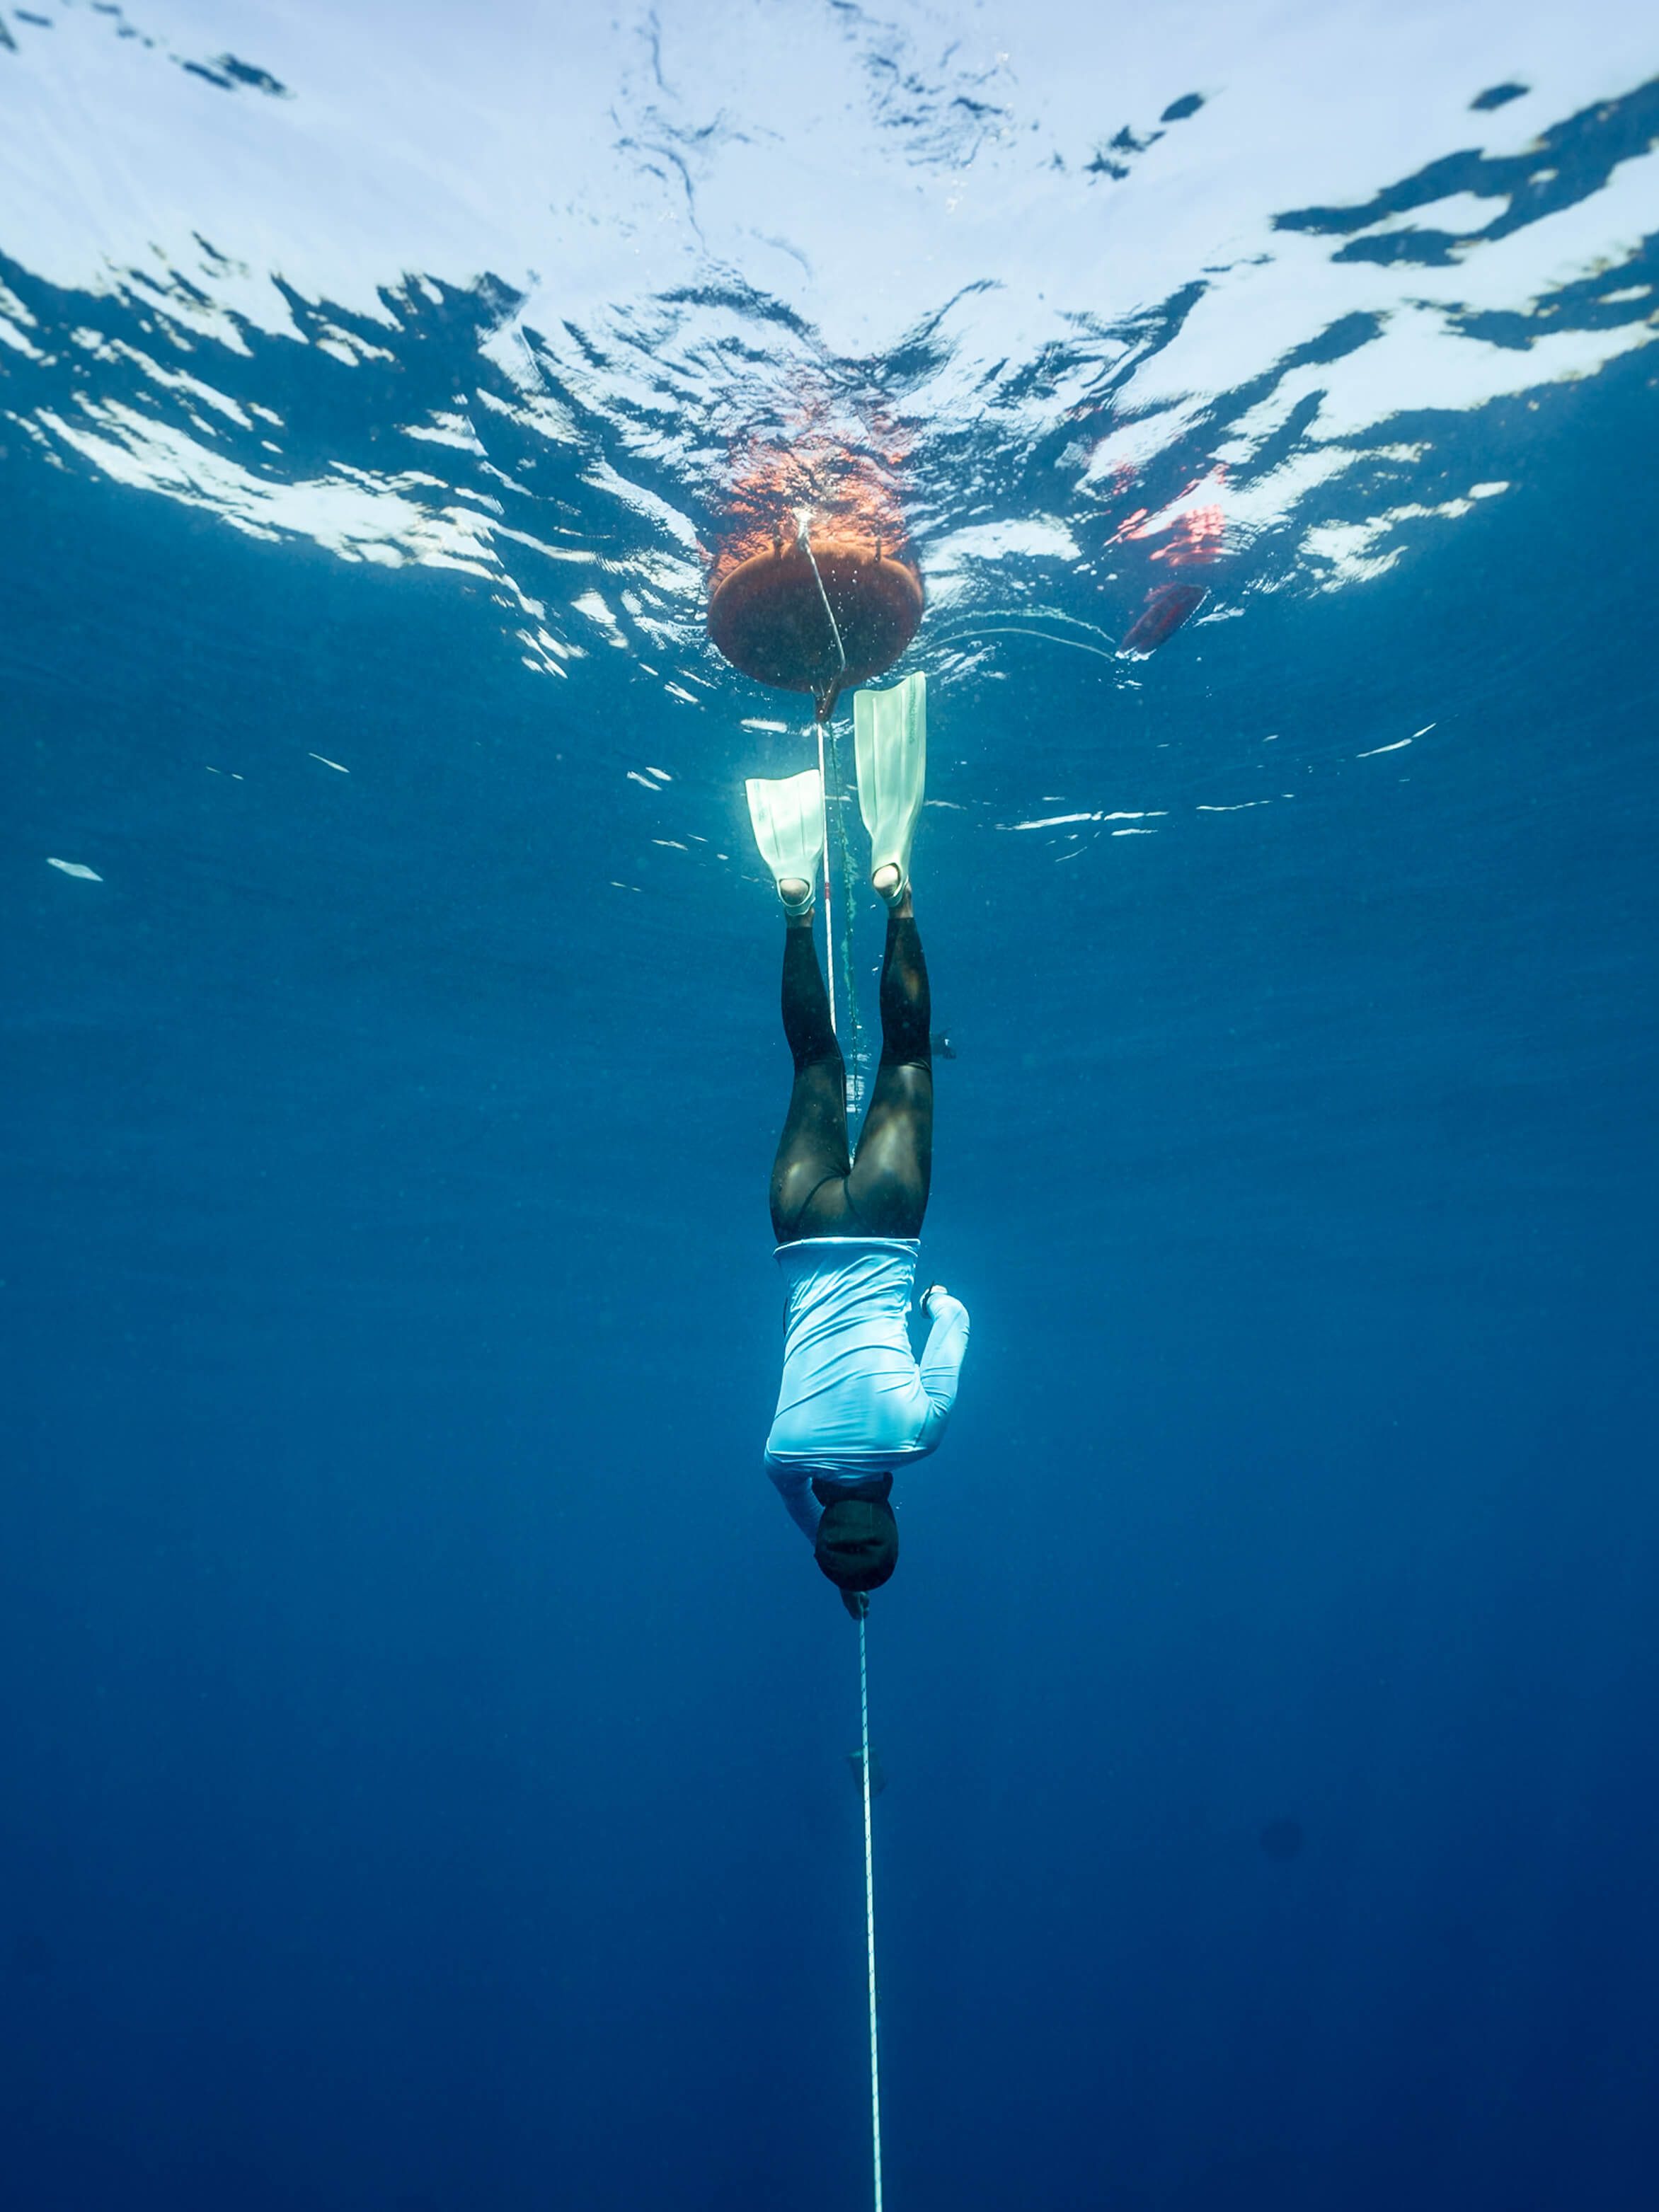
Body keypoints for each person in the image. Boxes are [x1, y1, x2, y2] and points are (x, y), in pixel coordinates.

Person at [745, 674, 970, 1614]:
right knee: (810, 1059)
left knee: (909, 1056)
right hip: (799, 1226)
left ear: (893, 1515)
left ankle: (898, 893)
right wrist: (835, 1575)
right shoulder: (780, 1456)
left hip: (882, 1225)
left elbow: (955, 1325)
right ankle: (797, 902)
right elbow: (800, 1512)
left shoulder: (917, 1437)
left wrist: (942, 1299)